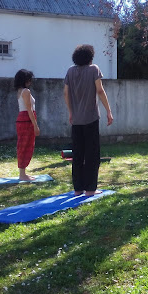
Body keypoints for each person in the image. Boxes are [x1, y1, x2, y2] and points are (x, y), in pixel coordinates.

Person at [63, 44, 113, 196]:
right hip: (91, 118)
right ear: (90, 57)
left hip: (76, 120)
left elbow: (66, 93)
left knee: (77, 154)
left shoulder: (70, 71)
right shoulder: (94, 69)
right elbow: (100, 90)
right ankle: (90, 189)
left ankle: (78, 189)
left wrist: (71, 112)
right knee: (92, 154)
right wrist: (109, 111)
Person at [14, 69, 40, 181]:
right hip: (26, 120)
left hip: (23, 119)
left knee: (23, 145)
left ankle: (23, 173)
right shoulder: (26, 91)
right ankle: (22, 174)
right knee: (26, 146)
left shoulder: (20, 91)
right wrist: (35, 125)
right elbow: (29, 109)